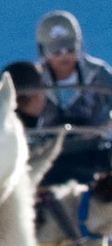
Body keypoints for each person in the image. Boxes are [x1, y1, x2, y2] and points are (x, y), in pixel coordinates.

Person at [33, 11, 112, 186]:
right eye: (56, 51)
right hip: (49, 157)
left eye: (70, 49)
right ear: (43, 52)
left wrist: (105, 124)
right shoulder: (34, 81)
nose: (64, 56)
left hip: (95, 152)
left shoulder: (97, 73)